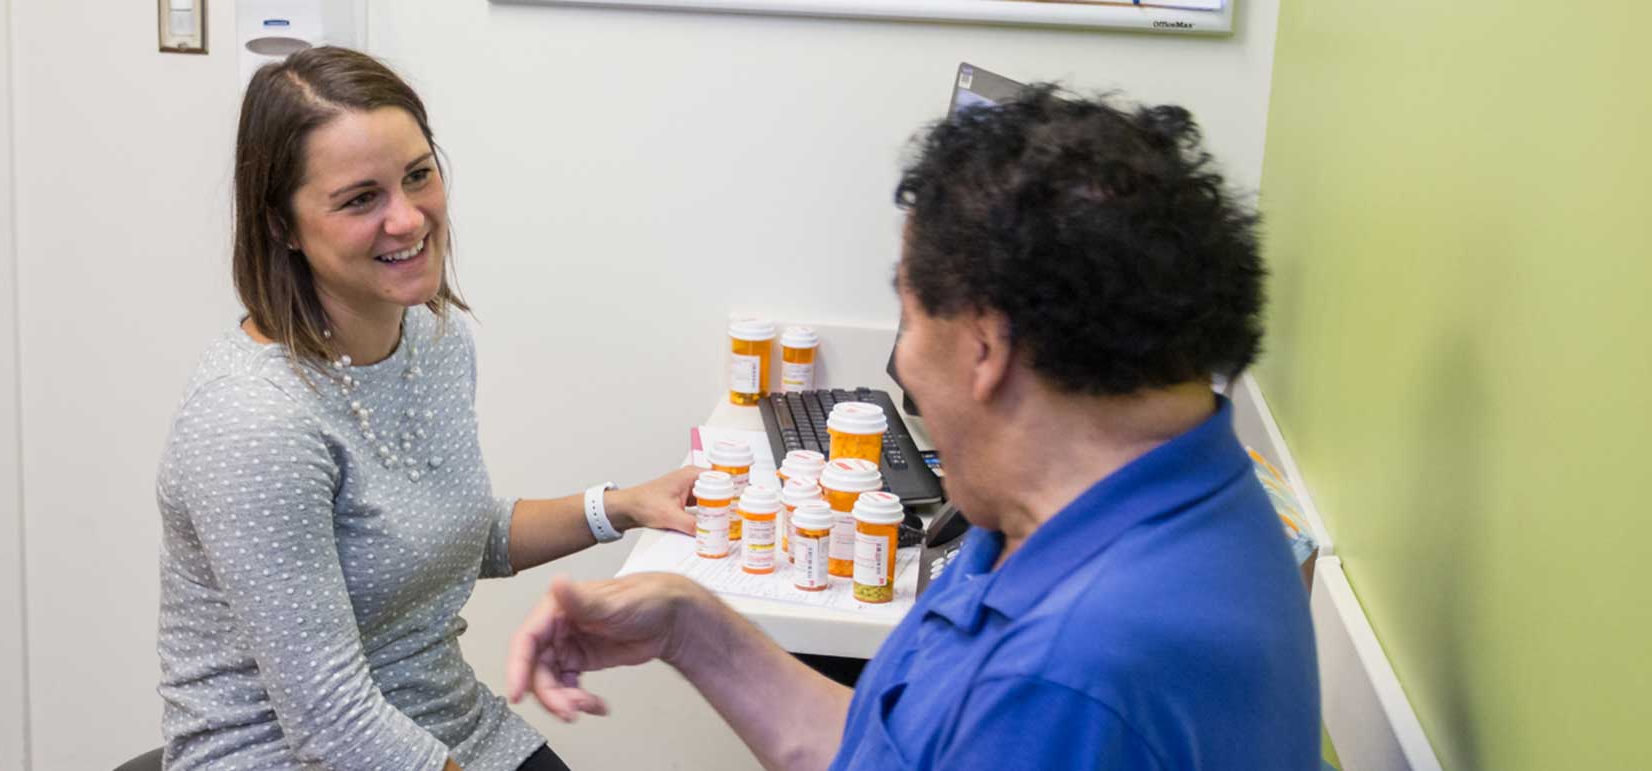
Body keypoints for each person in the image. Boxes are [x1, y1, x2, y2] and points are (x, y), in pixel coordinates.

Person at [506, 85, 1321, 769]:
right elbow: (893, 750)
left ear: (984, 345)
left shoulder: (1069, 679)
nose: (905, 363)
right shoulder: (1101, 508)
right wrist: (691, 625)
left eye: (908, 314)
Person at [154, 46, 701, 771]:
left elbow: (443, 537)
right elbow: (331, 724)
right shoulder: (255, 423)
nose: (408, 219)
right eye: (360, 199)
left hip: (441, 722)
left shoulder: (432, 339)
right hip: (284, 753)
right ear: (282, 225)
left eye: (418, 175)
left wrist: (622, 505)